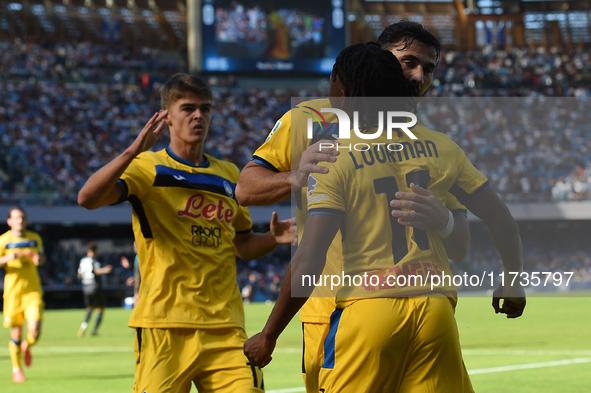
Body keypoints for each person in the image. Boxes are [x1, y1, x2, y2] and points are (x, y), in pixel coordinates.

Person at [243, 45, 526, 391]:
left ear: (343, 95)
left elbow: (309, 258)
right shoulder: (440, 146)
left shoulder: (332, 157)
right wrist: (513, 280)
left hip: (367, 311)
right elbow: (502, 220)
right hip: (434, 309)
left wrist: (269, 334)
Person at [78, 73, 292, 393]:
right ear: (167, 117)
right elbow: (87, 199)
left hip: (225, 328)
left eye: (205, 109)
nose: (198, 116)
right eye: (188, 108)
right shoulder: (146, 168)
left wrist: (273, 238)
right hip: (164, 326)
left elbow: (243, 246)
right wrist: (134, 148)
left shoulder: (230, 175)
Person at [0, 206, 46, 383]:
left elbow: (42, 258)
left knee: (34, 330)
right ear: (10, 221)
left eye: (23, 218)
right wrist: (8, 259)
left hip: (32, 291)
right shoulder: (4, 241)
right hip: (13, 294)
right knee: (16, 333)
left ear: (26, 220)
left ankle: (29, 344)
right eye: (16, 218)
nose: (20, 221)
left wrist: (38, 260)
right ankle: (16, 369)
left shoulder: (35, 239)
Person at [77, 242, 112, 336]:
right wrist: (105, 270)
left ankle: (83, 326)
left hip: (85, 286)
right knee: (100, 308)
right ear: (95, 251)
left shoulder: (82, 261)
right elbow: (96, 271)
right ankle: (94, 330)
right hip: (95, 286)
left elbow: (79, 275)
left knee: (89, 307)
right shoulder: (94, 260)